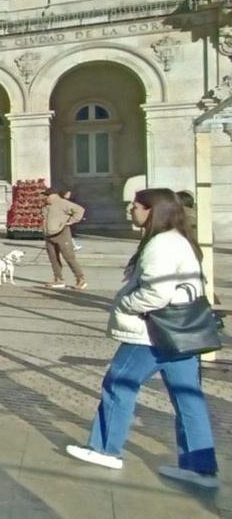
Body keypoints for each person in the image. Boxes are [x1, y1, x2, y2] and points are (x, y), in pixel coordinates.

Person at [65, 188, 217, 488]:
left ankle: (105, 448)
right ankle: (200, 467)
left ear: (152, 210)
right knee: (188, 397)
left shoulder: (160, 244)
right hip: (182, 333)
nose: (130, 210)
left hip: (152, 333)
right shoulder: (180, 240)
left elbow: (157, 292)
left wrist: (126, 303)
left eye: (135, 205)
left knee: (118, 384)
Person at [43, 188, 87, 289]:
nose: (45, 198)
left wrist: (71, 221)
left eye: (46, 196)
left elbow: (80, 210)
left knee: (69, 257)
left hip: (62, 233)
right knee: (53, 258)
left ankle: (80, 279)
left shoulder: (63, 203)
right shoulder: (46, 206)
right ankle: (58, 279)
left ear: (53, 195)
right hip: (49, 235)